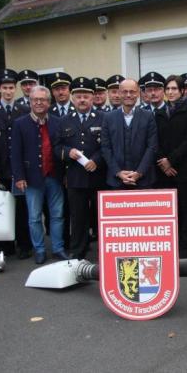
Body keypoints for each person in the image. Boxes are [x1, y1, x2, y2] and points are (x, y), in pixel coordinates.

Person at [11, 85, 66, 264]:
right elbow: (15, 153)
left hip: (55, 176)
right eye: (35, 100)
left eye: (42, 100)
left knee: (57, 215)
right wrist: (19, 176)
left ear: (49, 102)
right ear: (30, 102)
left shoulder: (58, 122)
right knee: (34, 217)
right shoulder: (20, 124)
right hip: (31, 178)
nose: (39, 103)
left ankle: (58, 248)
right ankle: (40, 250)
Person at [54, 77, 106, 260]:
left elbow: (108, 145)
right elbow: (56, 147)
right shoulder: (63, 121)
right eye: (78, 96)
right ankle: (78, 251)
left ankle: (104, 250)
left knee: (101, 216)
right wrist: (67, 152)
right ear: (72, 98)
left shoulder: (103, 118)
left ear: (92, 97)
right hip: (75, 177)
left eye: (86, 96)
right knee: (78, 217)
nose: (82, 100)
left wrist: (97, 160)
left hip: (98, 175)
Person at [0, 69, 32, 259]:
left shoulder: (24, 110)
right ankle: (4, 245)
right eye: (5, 88)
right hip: (1, 167)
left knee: (21, 209)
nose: (8, 91)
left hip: (20, 169)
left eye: (11, 88)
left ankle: (24, 244)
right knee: (1, 207)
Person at [155, 75, 187, 258]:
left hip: (183, 168)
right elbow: (154, 140)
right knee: (169, 208)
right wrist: (163, 162)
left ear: (182, 91)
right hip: (164, 170)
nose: (170, 92)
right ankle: (171, 242)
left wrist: (171, 160)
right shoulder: (159, 112)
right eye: (168, 89)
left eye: (174, 88)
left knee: (185, 206)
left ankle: (185, 245)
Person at [101, 78, 158, 189]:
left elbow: (152, 146)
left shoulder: (148, 116)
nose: (128, 95)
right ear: (119, 93)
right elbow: (105, 148)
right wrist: (118, 172)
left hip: (143, 180)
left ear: (138, 94)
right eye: (125, 91)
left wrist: (139, 172)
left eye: (132, 92)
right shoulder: (108, 117)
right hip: (116, 180)